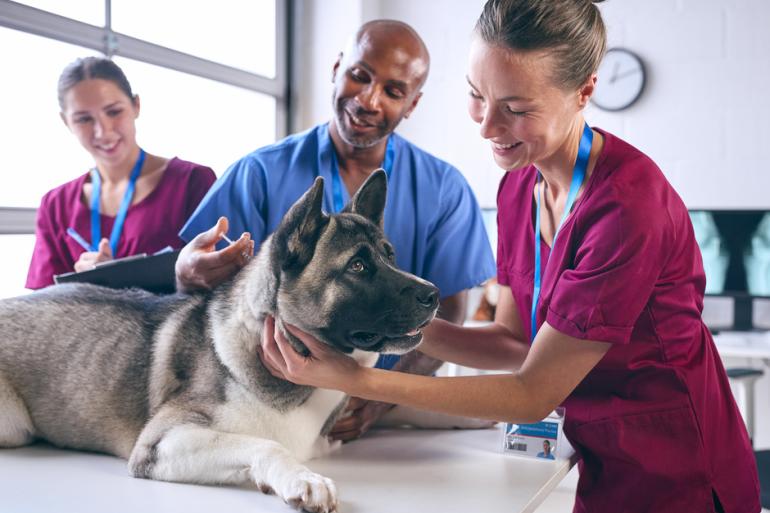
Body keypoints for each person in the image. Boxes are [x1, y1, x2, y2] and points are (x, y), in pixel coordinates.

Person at [258, 1, 761, 512]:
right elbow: (514, 341)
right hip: (600, 454)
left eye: (516, 109)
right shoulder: (520, 187)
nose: (487, 126)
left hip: (678, 462)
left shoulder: (628, 208)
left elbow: (530, 392)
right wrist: (373, 311)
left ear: (584, 91)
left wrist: (354, 379)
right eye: (477, 96)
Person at [175, 20, 496, 441]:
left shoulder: (444, 190)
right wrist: (185, 273)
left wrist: (379, 398)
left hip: (381, 408)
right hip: (263, 406)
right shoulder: (258, 173)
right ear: (336, 67)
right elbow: (198, 298)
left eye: (393, 91)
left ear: (413, 104)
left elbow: (451, 308)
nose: (368, 100)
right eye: (359, 76)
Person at [26, 56, 216, 289]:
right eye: (84, 119)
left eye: (114, 112)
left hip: (172, 325)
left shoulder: (192, 183)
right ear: (66, 122)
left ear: (136, 105)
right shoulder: (56, 205)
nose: (103, 131)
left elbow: (221, 284)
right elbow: (41, 302)